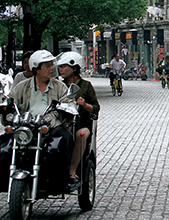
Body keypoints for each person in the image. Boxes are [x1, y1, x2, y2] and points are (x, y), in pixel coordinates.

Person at [8, 50, 72, 183]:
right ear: (36, 69)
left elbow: (68, 103)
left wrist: (66, 109)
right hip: (26, 125)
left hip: (51, 126)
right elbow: (10, 102)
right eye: (47, 66)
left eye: (51, 65)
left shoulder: (60, 87)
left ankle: (62, 177)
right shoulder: (22, 87)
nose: (51, 69)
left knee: (64, 138)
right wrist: (6, 109)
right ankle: (1, 177)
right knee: (5, 144)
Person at [57, 51, 100, 189]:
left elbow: (96, 107)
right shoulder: (58, 85)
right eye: (60, 67)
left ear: (74, 68)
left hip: (81, 123)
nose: (61, 70)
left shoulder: (86, 86)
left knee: (80, 135)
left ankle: (72, 171)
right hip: (61, 122)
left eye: (64, 67)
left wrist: (84, 105)